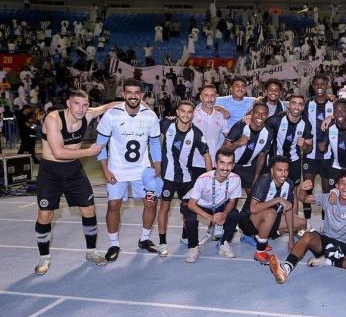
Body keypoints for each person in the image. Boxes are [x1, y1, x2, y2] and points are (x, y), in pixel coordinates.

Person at [34, 91, 118, 275]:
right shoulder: (53, 119)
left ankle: (91, 252)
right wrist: (89, 152)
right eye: (77, 104)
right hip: (51, 171)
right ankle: (44, 258)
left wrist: (136, 102)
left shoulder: (88, 114)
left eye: (85, 104)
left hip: (73, 170)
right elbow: (58, 152)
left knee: (89, 209)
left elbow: (108, 106)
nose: (81, 109)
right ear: (68, 104)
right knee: (45, 215)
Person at [269, 171, 346, 284]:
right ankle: (285, 269)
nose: (345, 187)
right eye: (342, 183)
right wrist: (303, 188)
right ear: (336, 186)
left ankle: (328, 260)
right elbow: (304, 199)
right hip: (326, 244)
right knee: (307, 236)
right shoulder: (328, 198)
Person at [96, 78, 162, 262]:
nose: (133, 96)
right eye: (129, 92)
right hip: (117, 172)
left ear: (142, 95)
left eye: (137, 93)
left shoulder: (150, 116)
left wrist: (158, 164)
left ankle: (145, 239)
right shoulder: (111, 115)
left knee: (151, 202)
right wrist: (105, 171)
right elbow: (100, 145)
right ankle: (114, 243)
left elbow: (155, 142)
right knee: (113, 206)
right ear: (123, 94)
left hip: (143, 172)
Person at [156, 101, 212, 257]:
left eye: (189, 112)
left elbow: (206, 155)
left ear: (193, 114)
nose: (185, 114)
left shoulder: (197, 133)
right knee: (164, 208)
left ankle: (185, 237)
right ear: (177, 112)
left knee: (188, 209)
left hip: (186, 179)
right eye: (182, 111)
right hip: (168, 177)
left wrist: (210, 178)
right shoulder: (166, 124)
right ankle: (162, 243)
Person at [238, 155, 307, 264]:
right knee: (271, 213)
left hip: (270, 217)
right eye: (279, 170)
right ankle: (260, 252)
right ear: (272, 170)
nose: (283, 174)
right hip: (248, 220)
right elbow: (253, 208)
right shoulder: (264, 180)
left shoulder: (289, 184)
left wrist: (291, 239)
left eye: (286, 170)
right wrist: (277, 200)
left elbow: (288, 210)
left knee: (301, 223)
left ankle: (260, 236)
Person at [181, 148, 243, 262]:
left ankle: (224, 243)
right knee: (190, 218)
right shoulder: (203, 179)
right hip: (198, 204)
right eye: (222, 163)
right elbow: (191, 204)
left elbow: (232, 202)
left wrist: (224, 214)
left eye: (229, 164)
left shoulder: (236, 179)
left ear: (233, 165)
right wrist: (210, 218)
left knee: (234, 214)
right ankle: (193, 247)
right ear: (216, 163)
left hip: (218, 205)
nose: (225, 167)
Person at [301, 74, 334, 225]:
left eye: (322, 84)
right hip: (310, 154)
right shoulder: (307, 105)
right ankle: (307, 223)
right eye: (316, 84)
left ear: (327, 85)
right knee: (308, 188)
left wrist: (326, 140)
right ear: (312, 86)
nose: (319, 86)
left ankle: (324, 223)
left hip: (328, 156)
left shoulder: (334, 105)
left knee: (327, 191)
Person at [222, 102, 272, 195]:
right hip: (232, 167)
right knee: (230, 197)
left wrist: (256, 177)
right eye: (257, 113)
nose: (260, 116)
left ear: (267, 116)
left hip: (248, 168)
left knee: (253, 197)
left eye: (264, 114)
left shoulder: (268, 133)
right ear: (252, 113)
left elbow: (262, 156)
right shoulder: (240, 126)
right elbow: (223, 149)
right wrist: (237, 143)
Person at [265, 93, 313, 185]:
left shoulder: (306, 124)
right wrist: (248, 117)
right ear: (289, 105)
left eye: (300, 104)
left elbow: (309, 148)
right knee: (273, 188)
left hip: (294, 161)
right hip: (276, 160)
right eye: (294, 103)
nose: (296, 107)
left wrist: (304, 145)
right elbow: (259, 127)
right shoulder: (276, 120)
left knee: (293, 189)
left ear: (303, 107)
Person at [192, 85, 230, 177]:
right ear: (201, 97)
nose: (210, 99)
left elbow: (229, 137)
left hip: (215, 163)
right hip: (195, 163)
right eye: (206, 95)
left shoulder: (221, 116)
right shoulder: (192, 114)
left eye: (212, 95)